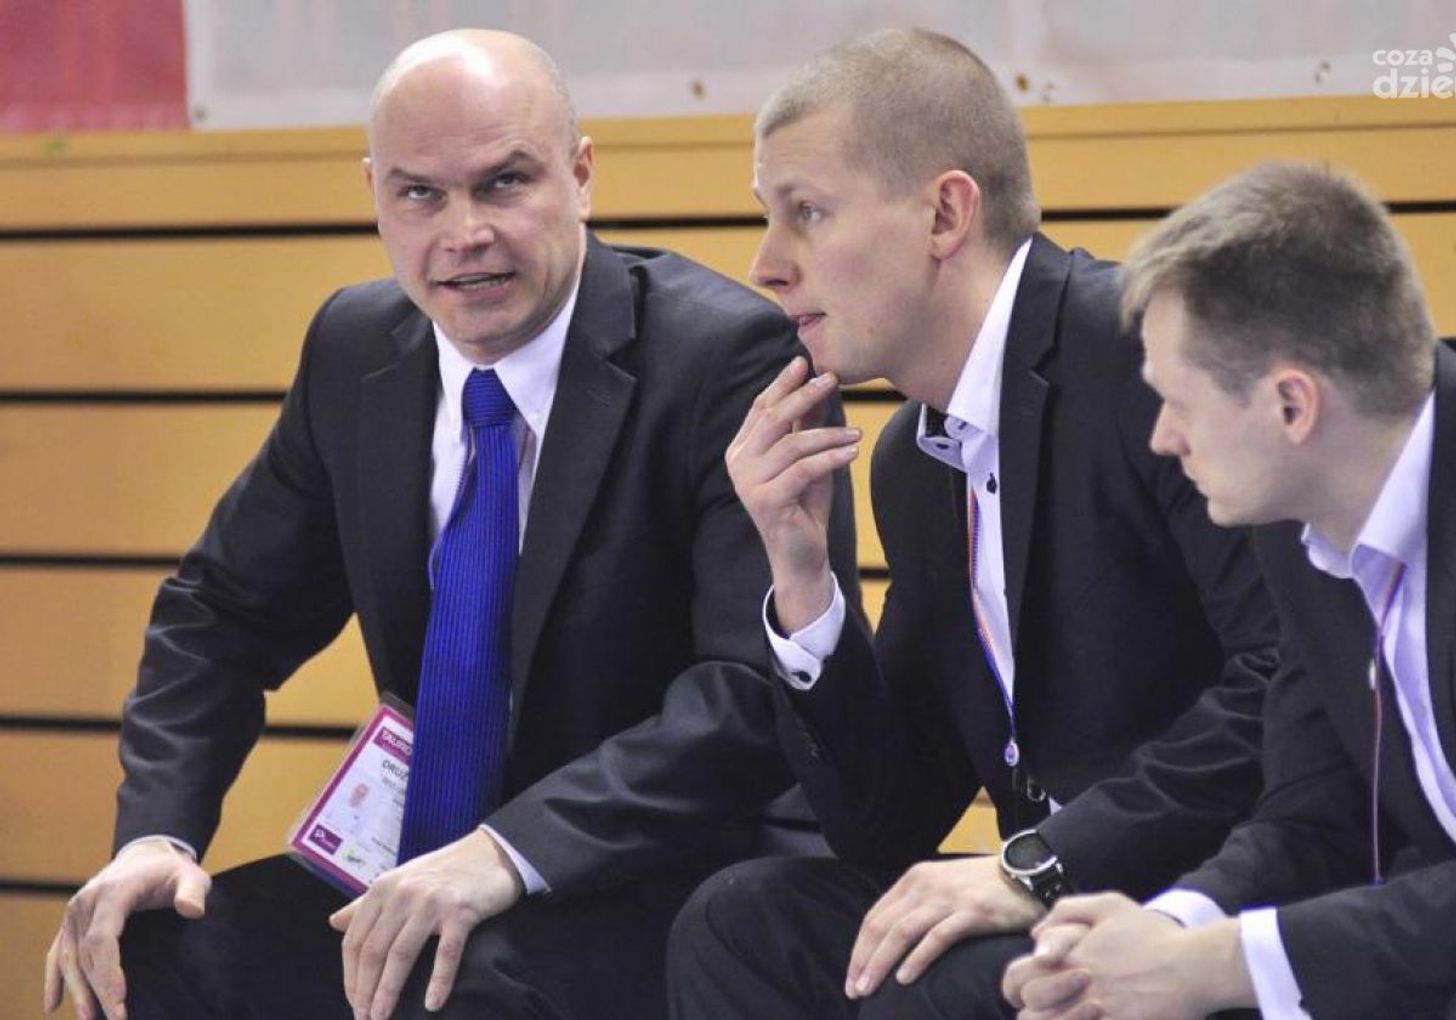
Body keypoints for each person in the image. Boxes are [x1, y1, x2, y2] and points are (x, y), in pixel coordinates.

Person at [42, 28, 857, 1020]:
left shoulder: (727, 359)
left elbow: (747, 694)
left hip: (657, 876)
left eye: (503, 183)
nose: (463, 233)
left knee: (454, 985)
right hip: (419, 866)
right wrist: (155, 838)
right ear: (375, 195)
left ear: (581, 176)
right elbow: (222, 611)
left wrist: (506, 854)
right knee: (147, 959)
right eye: (420, 194)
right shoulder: (356, 349)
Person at [667, 27, 1278, 1019]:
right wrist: (801, 579)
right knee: (742, 925)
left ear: (945, 213)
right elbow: (889, 823)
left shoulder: (1146, 355)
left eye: (806, 213)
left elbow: (1285, 681)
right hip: (1060, 901)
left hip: (1220, 902)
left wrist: (1041, 862)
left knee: (927, 991)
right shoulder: (915, 462)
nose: (767, 264)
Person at [1002, 161, 1456, 1020]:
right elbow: (1314, 817)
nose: (1163, 438)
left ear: (1291, 406)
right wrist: (1168, 931)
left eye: (1178, 403)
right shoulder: (1302, 518)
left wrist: (1212, 966)